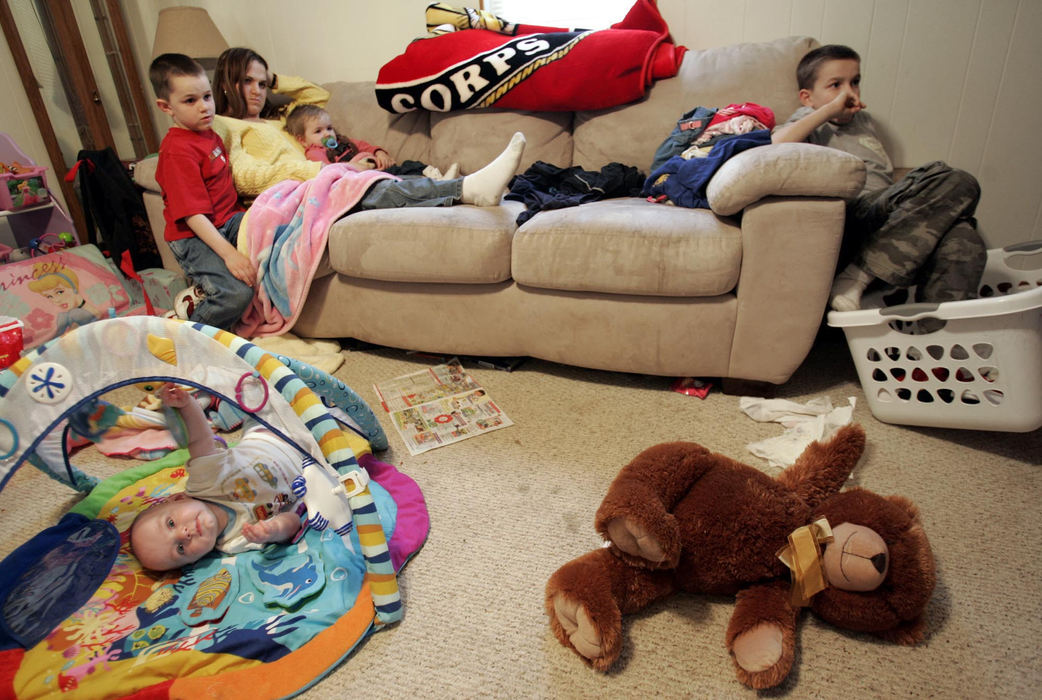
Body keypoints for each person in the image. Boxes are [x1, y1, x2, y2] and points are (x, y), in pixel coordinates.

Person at [772, 44, 986, 312]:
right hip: (855, 213)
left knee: (964, 237)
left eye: (855, 82)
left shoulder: (865, 120)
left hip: (889, 212)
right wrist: (826, 111)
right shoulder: (810, 119)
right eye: (835, 85)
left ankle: (937, 340)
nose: (849, 93)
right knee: (960, 180)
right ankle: (856, 276)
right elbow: (774, 146)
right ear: (807, 97)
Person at [211, 47, 523, 207]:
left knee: (379, 179)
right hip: (303, 189)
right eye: (247, 81)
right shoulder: (224, 125)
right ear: (226, 82)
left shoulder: (281, 119)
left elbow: (316, 96)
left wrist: (274, 78)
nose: (257, 91)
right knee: (372, 187)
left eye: (263, 83)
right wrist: (321, 172)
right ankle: (466, 190)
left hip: (328, 178)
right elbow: (245, 178)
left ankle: (464, 188)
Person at [129, 383, 304, 571]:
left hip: (269, 430)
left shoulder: (203, 481)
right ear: (194, 561)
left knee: (276, 392)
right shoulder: (235, 542)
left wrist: (187, 405)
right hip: (309, 464)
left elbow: (199, 439)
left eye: (171, 523)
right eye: (180, 549)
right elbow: (293, 522)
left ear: (178, 499)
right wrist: (274, 530)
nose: (183, 534)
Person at [148, 53, 254, 331]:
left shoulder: (210, 133)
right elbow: (194, 216)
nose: (204, 107)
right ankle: (186, 334)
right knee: (236, 295)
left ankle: (202, 296)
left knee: (274, 223)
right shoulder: (176, 151)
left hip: (226, 220)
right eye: (190, 101)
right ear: (166, 107)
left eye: (207, 96)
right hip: (194, 235)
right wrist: (230, 255)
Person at [284, 103, 459, 179]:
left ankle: (435, 175)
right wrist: (356, 163)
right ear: (303, 140)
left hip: (381, 168)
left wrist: (379, 152)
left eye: (329, 128)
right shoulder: (315, 153)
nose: (327, 134)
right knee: (401, 182)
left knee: (408, 165)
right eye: (318, 131)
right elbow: (330, 172)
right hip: (365, 178)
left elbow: (364, 146)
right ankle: (434, 185)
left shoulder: (342, 140)